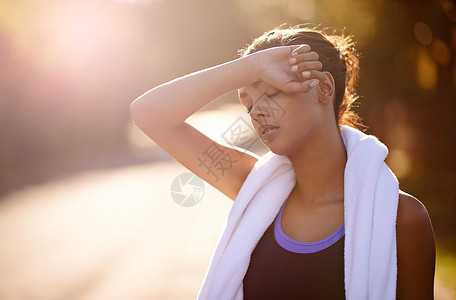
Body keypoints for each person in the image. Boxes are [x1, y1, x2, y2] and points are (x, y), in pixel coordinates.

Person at [129, 26, 435, 299]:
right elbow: (148, 114)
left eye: (272, 92)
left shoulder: (402, 219)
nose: (256, 112)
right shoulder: (251, 187)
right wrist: (253, 67)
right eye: (247, 102)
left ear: (324, 89)